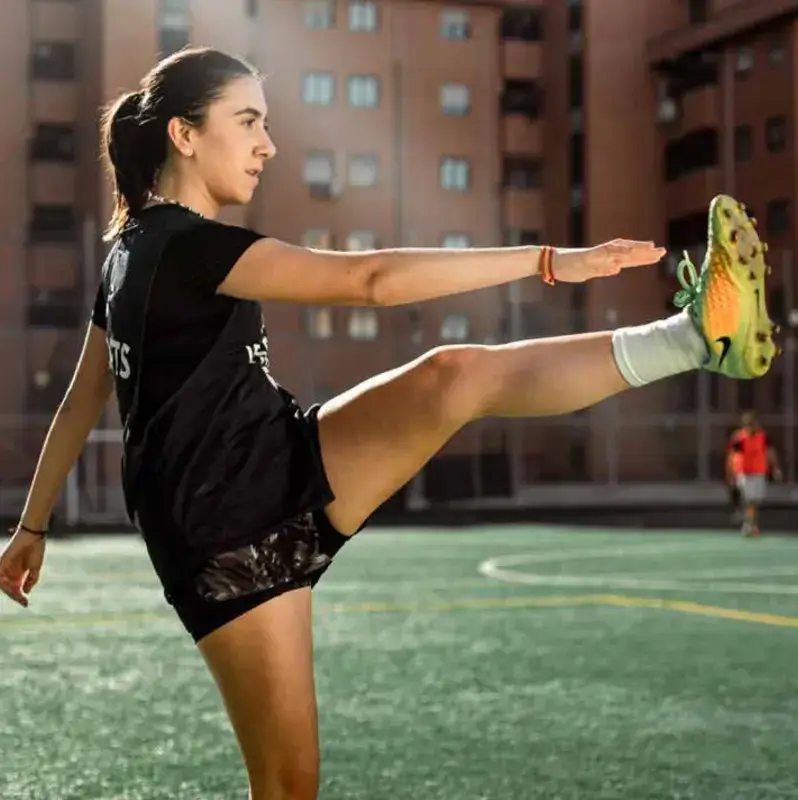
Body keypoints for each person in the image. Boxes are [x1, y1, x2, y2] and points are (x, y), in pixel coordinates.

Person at [0, 47, 779, 799]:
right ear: (185, 134)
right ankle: (694, 339)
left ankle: (695, 339)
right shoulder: (179, 246)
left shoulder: (132, 254)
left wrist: (32, 528)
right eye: (248, 122)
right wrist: (550, 259)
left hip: (277, 458)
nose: (268, 144)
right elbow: (369, 280)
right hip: (222, 524)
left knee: (454, 375)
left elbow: (80, 402)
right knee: (288, 784)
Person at [726, 411, 782, 537]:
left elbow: (770, 452)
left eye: (752, 424)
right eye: (748, 424)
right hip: (745, 473)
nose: (750, 427)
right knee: (749, 500)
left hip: (759, 472)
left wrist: (775, 468)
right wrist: (730, 473)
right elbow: (732, 456)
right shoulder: (739, 438)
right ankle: (748, 526)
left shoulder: (763, 437)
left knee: (755, 501)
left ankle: (751, 524)